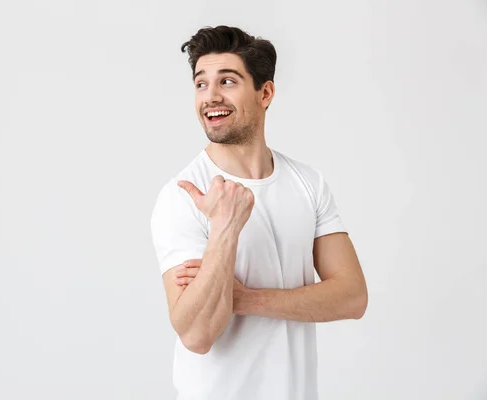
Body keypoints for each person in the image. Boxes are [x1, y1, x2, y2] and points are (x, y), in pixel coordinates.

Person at [149, 25, 368, 400]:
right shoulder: (183, 195)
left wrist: (244, 298)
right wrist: (224, 230)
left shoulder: (307, 183)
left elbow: (352, 297)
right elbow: (197, 334)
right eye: (201, 84)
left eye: (227, 81)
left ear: (264, 92)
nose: (210, 97)